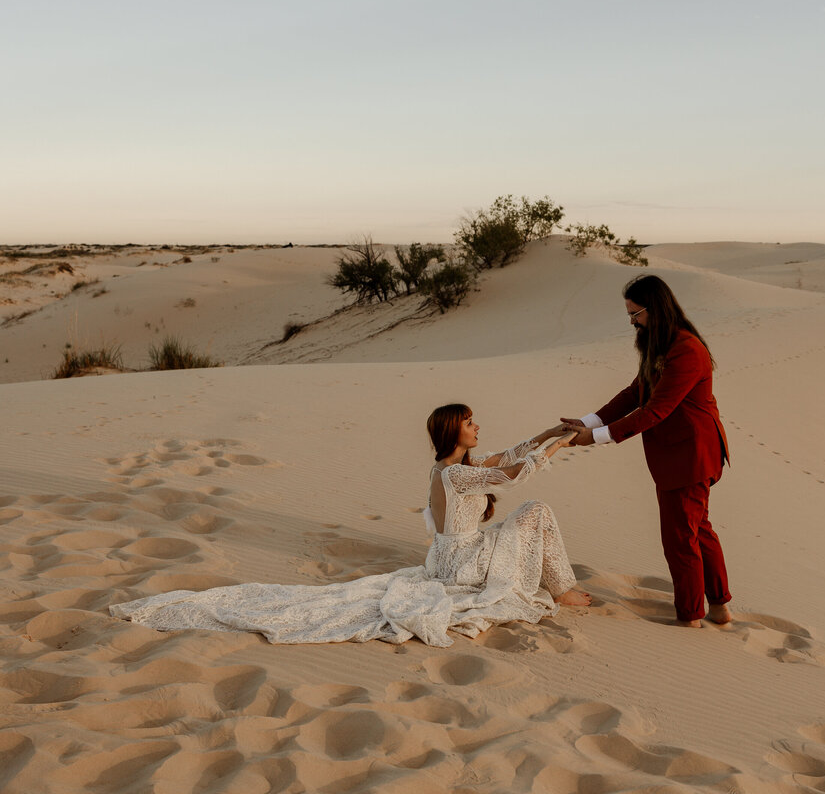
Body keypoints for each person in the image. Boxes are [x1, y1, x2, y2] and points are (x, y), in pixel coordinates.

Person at [110, 405, 590, 647]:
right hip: (462, 565)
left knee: (533, 513)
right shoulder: (457, 473)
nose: (476, 427)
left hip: (447, 560)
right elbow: (510, 474)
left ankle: (562, 587)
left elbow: (505, 458)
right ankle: (563, 590)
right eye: (469, 422)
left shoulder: (452, 468)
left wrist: (549, 433)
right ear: (452, 432)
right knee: (537, 511)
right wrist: (561, 449)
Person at [564, 274, 732, 628]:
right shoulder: (661, 343)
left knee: (680, 539)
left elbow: (655, 410)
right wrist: (589, 421)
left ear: (655, 309)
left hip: (691, 457)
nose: (633, 322)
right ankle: (718, 607)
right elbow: (634, 392)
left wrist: (595, 438)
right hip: (678, 456)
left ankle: (690, 616)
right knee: (698, 529)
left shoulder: (686, 350)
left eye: (635, 314)